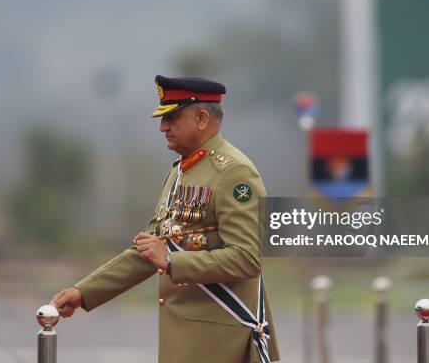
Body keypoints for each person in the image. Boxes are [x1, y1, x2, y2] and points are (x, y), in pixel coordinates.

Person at [50, 75, 280, 362]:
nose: (163, 127)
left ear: (201, 118)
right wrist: (83, 292)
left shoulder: (234, 173)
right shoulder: (180, 171)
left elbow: (248, 258)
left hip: (220, 342)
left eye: (172, 117)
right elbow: (150, 250)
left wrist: (172, 261)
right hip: (184, 341)